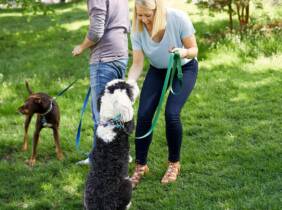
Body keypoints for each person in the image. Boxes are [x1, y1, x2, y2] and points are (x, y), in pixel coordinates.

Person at [127, 0, 198, 187]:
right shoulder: (137, 27)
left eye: (147, 15)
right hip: (158, 70)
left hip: (184, 68)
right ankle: (140, 166)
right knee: (143, 115)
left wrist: (183, 52)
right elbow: (137, 64)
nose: (143, 20)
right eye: (139, 15)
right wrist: (129, 84)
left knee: (172, 113)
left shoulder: (178, 18)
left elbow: (194, 50)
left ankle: (174, 163)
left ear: (157, 11)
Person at [72, 0, 130, 165]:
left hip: (105, 57)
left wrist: (81, 47)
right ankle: (120, 154)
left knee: (102, 114)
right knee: (116, 110)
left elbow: (96, 30)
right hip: (121, 54)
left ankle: (102, 160)